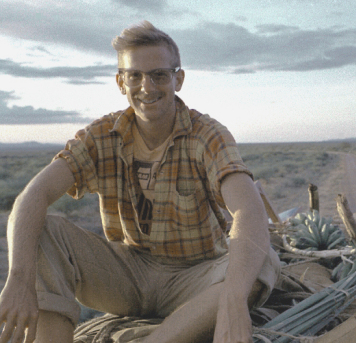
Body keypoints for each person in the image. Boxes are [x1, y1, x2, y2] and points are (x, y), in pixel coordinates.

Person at [0, 21, 280, 343]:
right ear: (121, 82)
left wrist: (233, 300)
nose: (146, 87)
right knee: (43, 229)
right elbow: (33, 194)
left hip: (195, 278)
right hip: (127, 276)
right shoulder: (102, 136)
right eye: (135, 76)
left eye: (159, 75)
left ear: (178, 79)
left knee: (261, 262)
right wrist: (18, 279)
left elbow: (248, 207)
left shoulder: (207, 135)